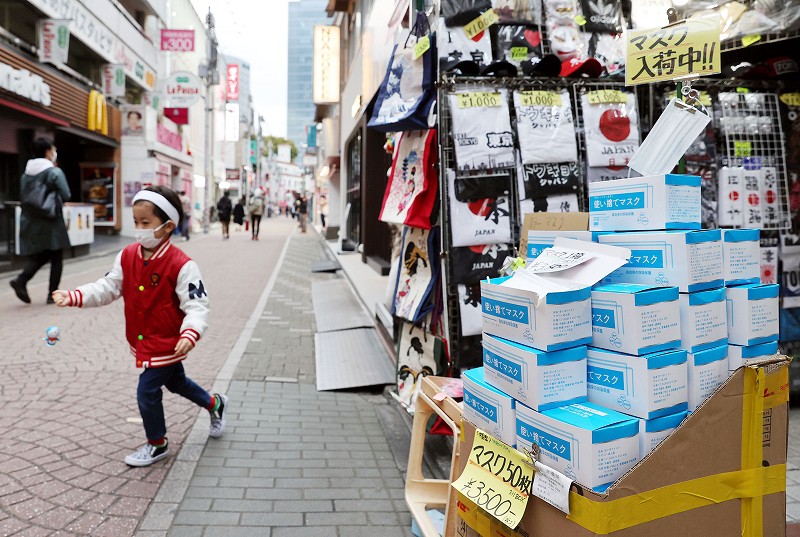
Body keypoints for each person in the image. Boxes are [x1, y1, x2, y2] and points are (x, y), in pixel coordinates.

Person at [51, 185, 227, 467]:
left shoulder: (182, 265)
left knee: (147, 390)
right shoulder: (127, 256)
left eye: (146, 223)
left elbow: (196, 304)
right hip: (145, 340)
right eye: (136, 222)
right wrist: (75, 296)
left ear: (168, 226)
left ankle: (157, 443)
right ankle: (215, 404)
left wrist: (190, 333)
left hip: (168, 341)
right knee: (176, 382)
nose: (139, 229)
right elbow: (108, 286)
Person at [9, 138, 71, 305]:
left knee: (42, 254)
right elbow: (66, 194)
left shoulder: (26, 174)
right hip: (51, 220)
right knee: (56, 256)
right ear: (47, 152)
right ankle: (52, 294)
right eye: (52, 150)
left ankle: (21, 280)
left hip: (31, 220)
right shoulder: (54, 172)